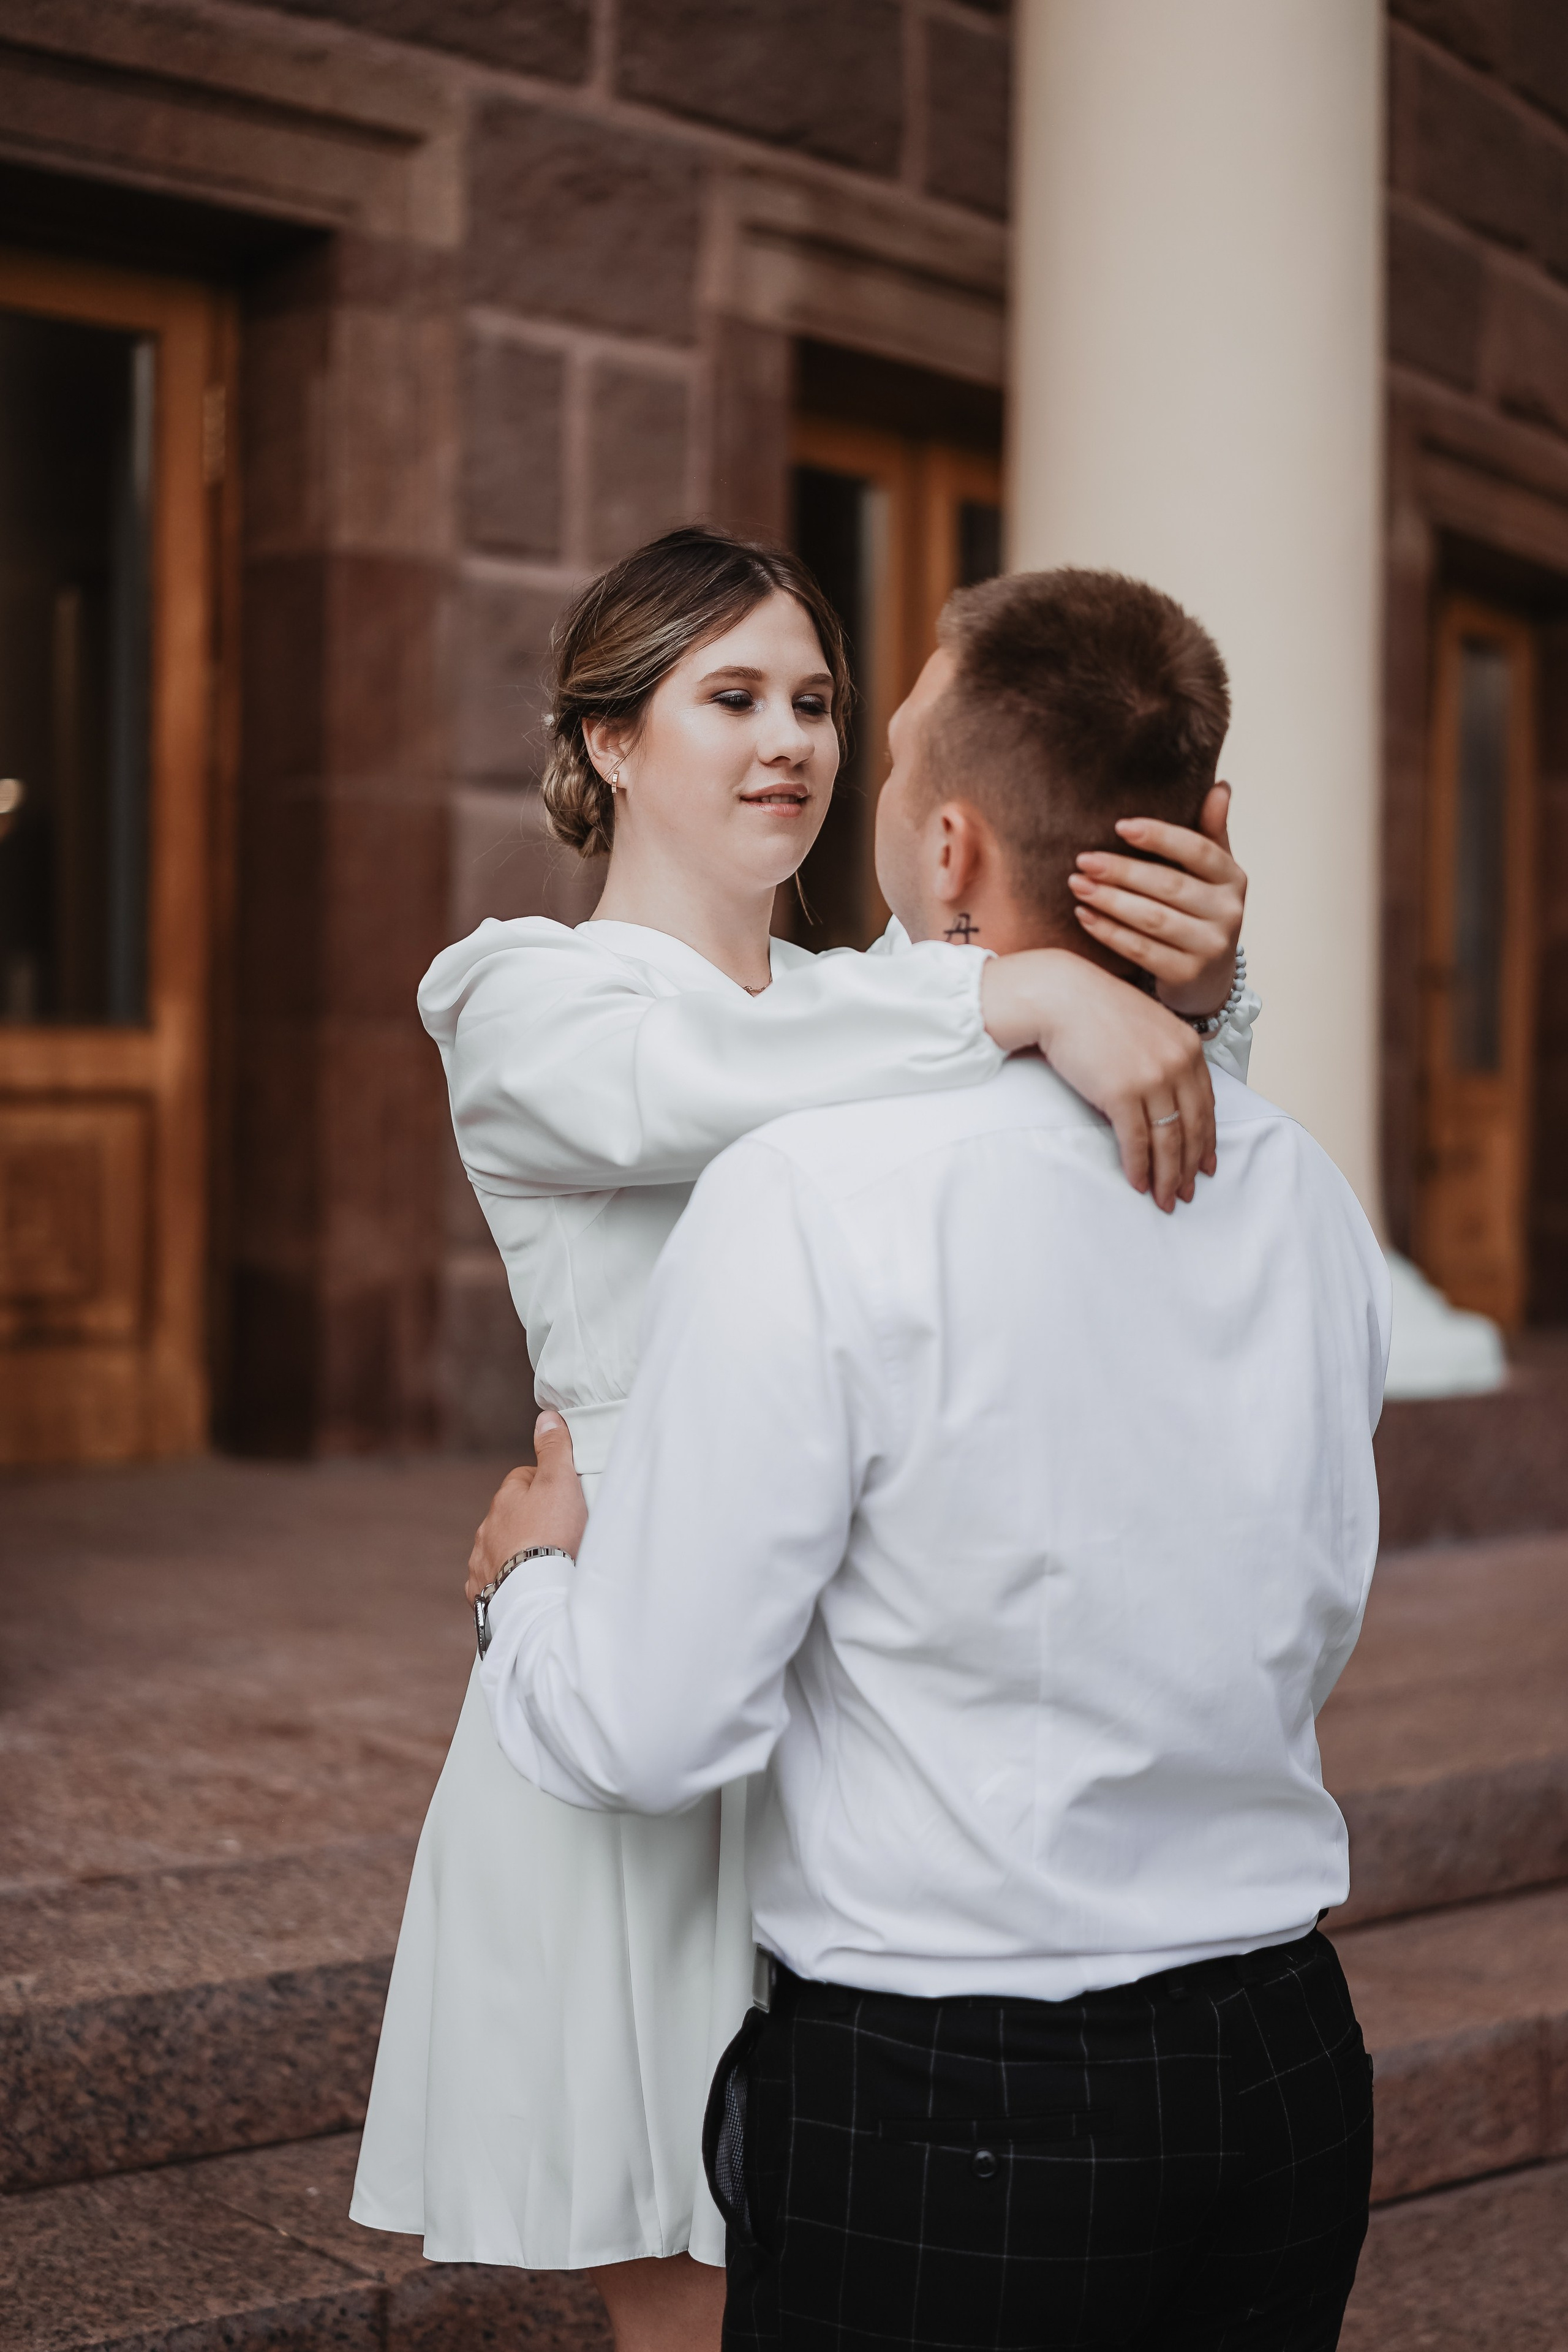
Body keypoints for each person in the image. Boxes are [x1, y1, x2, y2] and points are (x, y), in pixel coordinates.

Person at [465, 565, 1389, 2351]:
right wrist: (1063, 989)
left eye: (838, 719)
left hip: (936, 2049)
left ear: (949, 852)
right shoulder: (1300, 1191)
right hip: (1273, 2049)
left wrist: (528, 1589)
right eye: (736, 699)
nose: (807, 754)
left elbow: (656, 1723)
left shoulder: (828, 1166)